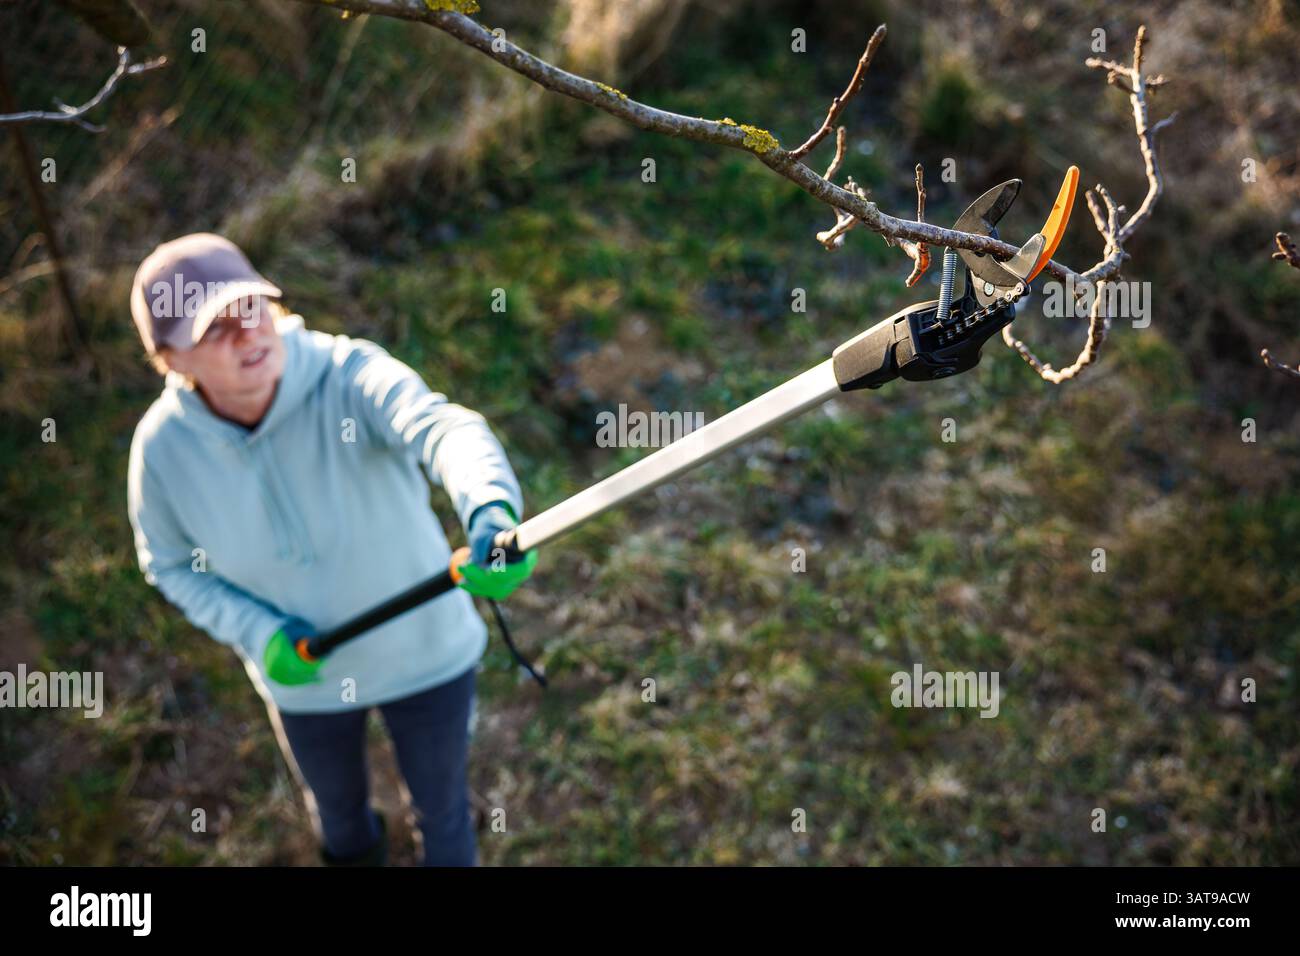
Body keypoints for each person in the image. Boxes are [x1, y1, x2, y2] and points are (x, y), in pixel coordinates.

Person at [126, 233, 536, 866]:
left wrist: (489, 509)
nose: (247, 335)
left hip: (426, 655)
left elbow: (443, 428)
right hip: (307, 682)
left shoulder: (348, 374)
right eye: (214, 330)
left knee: (444, 815)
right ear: (171, 360)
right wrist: (258, 632)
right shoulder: (162, 453)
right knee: (341, 824)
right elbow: (171, 565)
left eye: (252, 308)